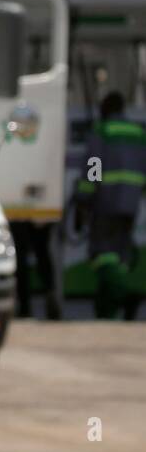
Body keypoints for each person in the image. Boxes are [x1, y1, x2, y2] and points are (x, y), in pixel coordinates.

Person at [75, 92, 146, 319]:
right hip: (131, 203)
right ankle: (106, 308)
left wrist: (84, 197)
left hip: (106, 201)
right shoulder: (138, 133)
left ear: (105, 109)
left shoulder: (102, 131)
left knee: (101, 254)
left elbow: (94, 165)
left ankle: (124, 295)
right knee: (119, 254)